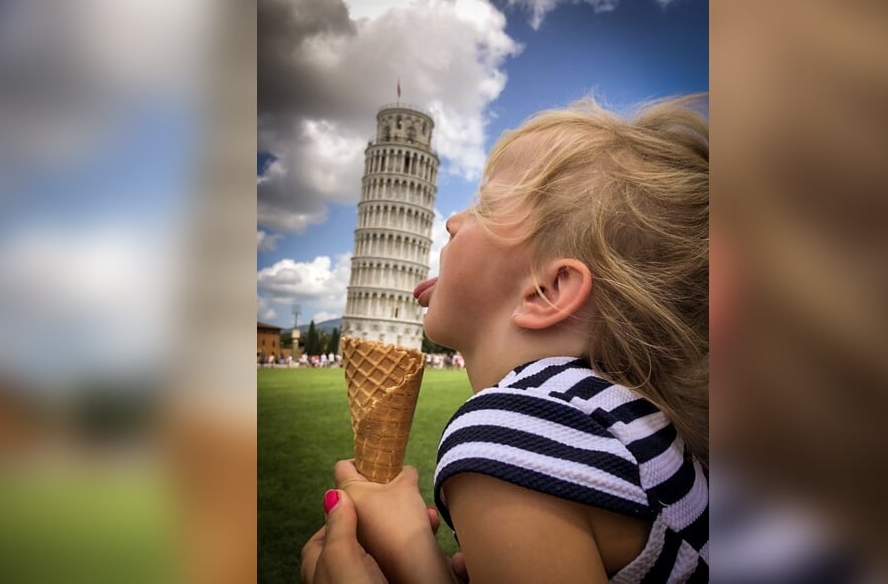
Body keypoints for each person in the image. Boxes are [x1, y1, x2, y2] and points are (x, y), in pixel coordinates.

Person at [302, 96, 709, 583]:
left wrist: (408, 561)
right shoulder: (621, 416)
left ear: (546, 291)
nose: (453, 220)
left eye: (485, 206)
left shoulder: (511, 432)